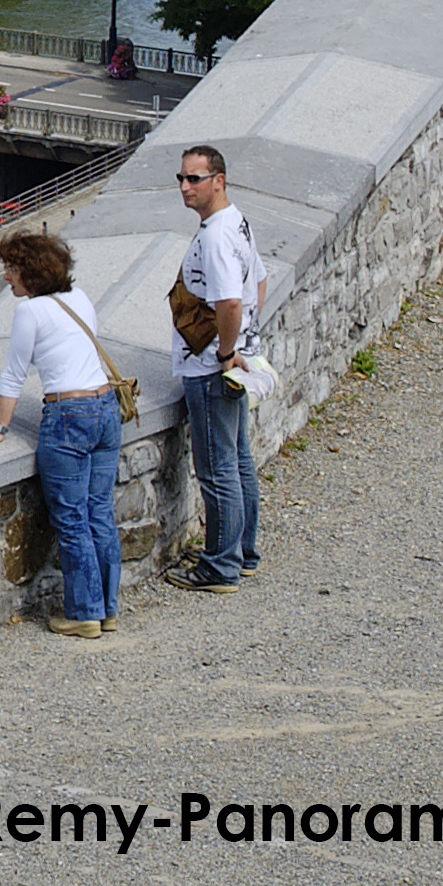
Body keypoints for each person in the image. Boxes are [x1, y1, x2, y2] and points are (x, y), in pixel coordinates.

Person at [0, 227, 123, 636]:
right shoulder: (79, 297)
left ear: (31, 273)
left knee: (71, 520)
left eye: (11, 269)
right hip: (106, 407)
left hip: (69, 414)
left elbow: (14, 375)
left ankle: (84, 614)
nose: (6, 277)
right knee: (100, 514)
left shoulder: (30, 312)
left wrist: (0, 427)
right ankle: (107, 608)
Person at [162, 144, 267, 593]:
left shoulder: (216, 236)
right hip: (237, 359)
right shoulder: (236, 221)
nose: (186, 187)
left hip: (212, 367)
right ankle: (243, 553)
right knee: (239, 461)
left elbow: (228, 301)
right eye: (182, 178)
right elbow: (259, 281)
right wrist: (244, 341)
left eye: (195, 179)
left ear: (218, 180)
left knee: (218, 468)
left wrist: (224, 352)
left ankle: (219, 566)